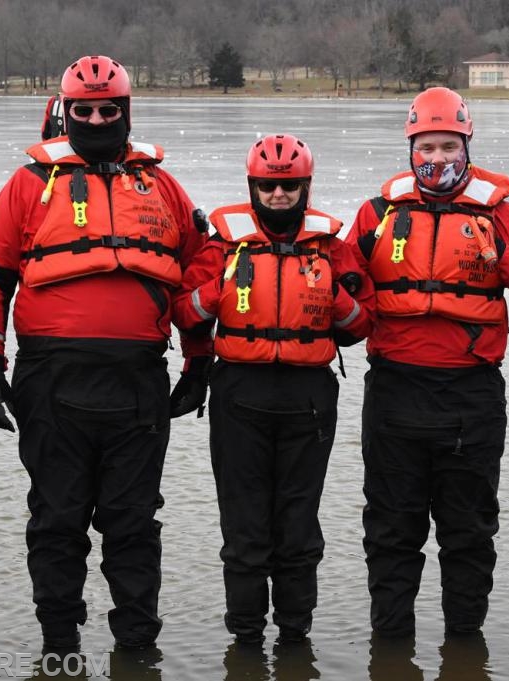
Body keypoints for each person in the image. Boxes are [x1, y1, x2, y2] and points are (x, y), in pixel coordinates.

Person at [0, 55, 211, 650]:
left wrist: (198, 364)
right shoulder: (29, 185)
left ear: (126, 112)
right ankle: (59, 645)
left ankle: (136, 644)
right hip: (52, 382)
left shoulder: (164, 186)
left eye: (108, 110)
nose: (97, 119)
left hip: (137, 384)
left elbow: (197, 272)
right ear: (65, 112)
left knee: (133, 522)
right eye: (84, 110)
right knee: (57, 519)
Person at [345, 87, 509, 637]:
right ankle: (390, 650)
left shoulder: (502, 215)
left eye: (449, 146)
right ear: (410, 148)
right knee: (391, 532)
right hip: (395, 394)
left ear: (468, 146)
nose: (437, 158)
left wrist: (507, 260)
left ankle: (464, 643)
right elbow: (345, 291)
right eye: (427, 146)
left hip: (471, 399)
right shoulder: (376, 216)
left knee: (468, 534)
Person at [173, 134, 374, 644]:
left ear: (305, 187)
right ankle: (244, 637)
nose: (279, 195)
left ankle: (294, 633)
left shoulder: (332, 245)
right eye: (269, 186)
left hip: (308, 397)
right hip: (240, 394)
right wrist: (218, 293)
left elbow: (361, 324)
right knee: (244, 526)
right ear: (253, 186)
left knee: (298, 523)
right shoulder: (222, 243)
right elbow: (182, 311)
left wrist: (335, 300)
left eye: (289, 186)